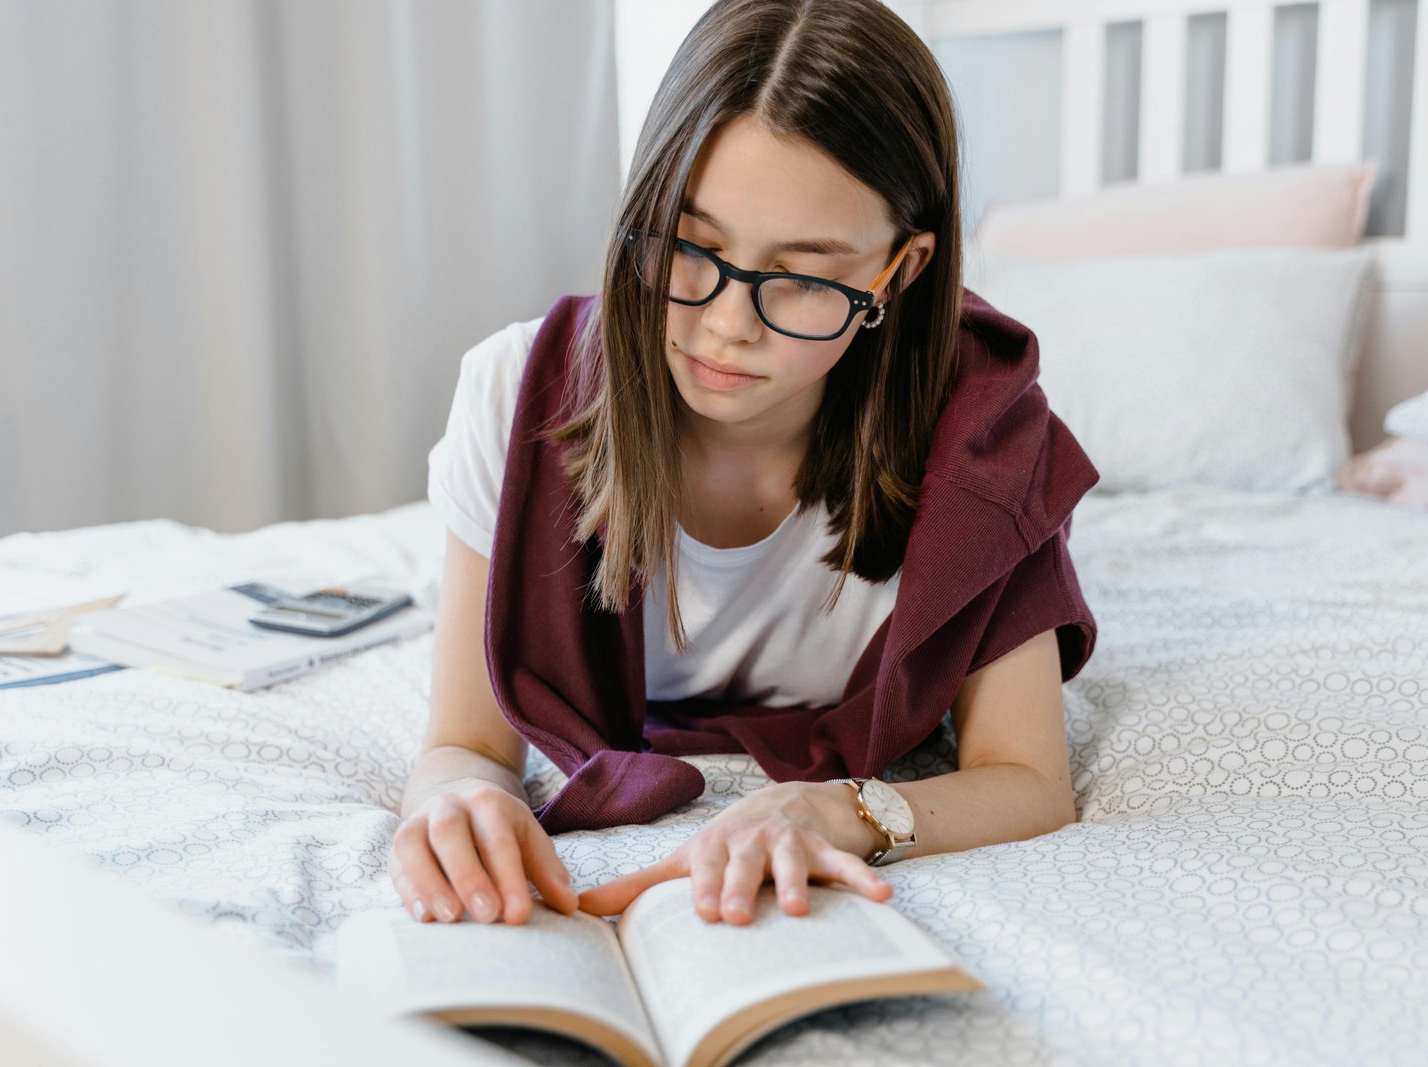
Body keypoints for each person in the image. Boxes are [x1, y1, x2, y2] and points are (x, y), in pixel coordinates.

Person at [390, 0, 1099, 930]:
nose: (727, 324)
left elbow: (1027, 779)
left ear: (899, 270)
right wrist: (455, 801)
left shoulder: (982, 432)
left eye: (800, 275)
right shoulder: (514, 392)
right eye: (691, 245)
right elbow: (467, 745)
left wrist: (830, 810)